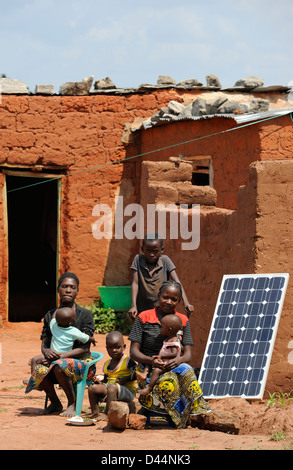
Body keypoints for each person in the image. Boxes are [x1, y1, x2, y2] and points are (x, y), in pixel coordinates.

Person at [128, 280, 211, 429]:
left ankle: (196, 412)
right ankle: (172, 415)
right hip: (148, 367)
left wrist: (178, 361)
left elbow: (188, 355)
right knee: (170, 383)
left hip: (173, 365)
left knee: (189, 372)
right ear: (158, 295)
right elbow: (133, 351)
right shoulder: (144, 317)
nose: (169, 302)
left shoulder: (182, 321)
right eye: (165, 297)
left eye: (174, 299)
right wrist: (151, 361)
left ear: (179, 301)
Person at [25, 272, 96, 417]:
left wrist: (61, 356)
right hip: (55, 359)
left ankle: (72, 403)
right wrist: (46, 352)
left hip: (80, 363)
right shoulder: (50, 315)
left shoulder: (85, 315)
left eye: (72, 287)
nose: (68, 290)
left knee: (59, 366)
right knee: (40, 367)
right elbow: (44, 341)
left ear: (77, 291)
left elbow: (85, 347)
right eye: (64, 286)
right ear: (58, 289)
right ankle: (55, 403)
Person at [128, 233, 194, 320]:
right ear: (142, 249)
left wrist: (186, 303)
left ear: (162, 250)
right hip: (142, 309)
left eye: (155, 251)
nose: (152, 254)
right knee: (142, 331)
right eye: (148, 251)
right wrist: (133, 306)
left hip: (162, 310)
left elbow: (177, 282)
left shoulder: (165, 260)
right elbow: (135, 283)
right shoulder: (138, 259)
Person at [28, 306, 96, 374]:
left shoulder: (53, 326)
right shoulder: (74, 331)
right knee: (57, 365)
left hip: (51, 355)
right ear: (71, 322)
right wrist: (92, 339)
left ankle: (33, 381)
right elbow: (85, 338)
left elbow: (53, 317)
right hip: (64, 358)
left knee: (34, 360)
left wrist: (58, 308)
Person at [87, 331, 136, 418]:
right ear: (106, 348)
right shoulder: (107, 363)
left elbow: (136, 374)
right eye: (110, 348)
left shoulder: (128, 361)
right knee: (92, 388)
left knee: (112, 387)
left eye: (117, 347)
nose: (113, 350)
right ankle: (95, 412)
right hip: (110, 390)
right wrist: (99, 382)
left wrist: (126, 378)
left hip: (127, 392)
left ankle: (107, 414)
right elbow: (106, 380)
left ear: (124, 347)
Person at [136, 314, 182, 396]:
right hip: (164, 361)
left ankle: (149, 388)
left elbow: (174, 353)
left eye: (162, 327)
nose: (160, 329)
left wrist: (161, 356)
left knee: (157, 370)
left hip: (169, 365)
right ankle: (144, 374)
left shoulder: (174, 340)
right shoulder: (169, 338)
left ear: (169, 330)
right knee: (151, 360)